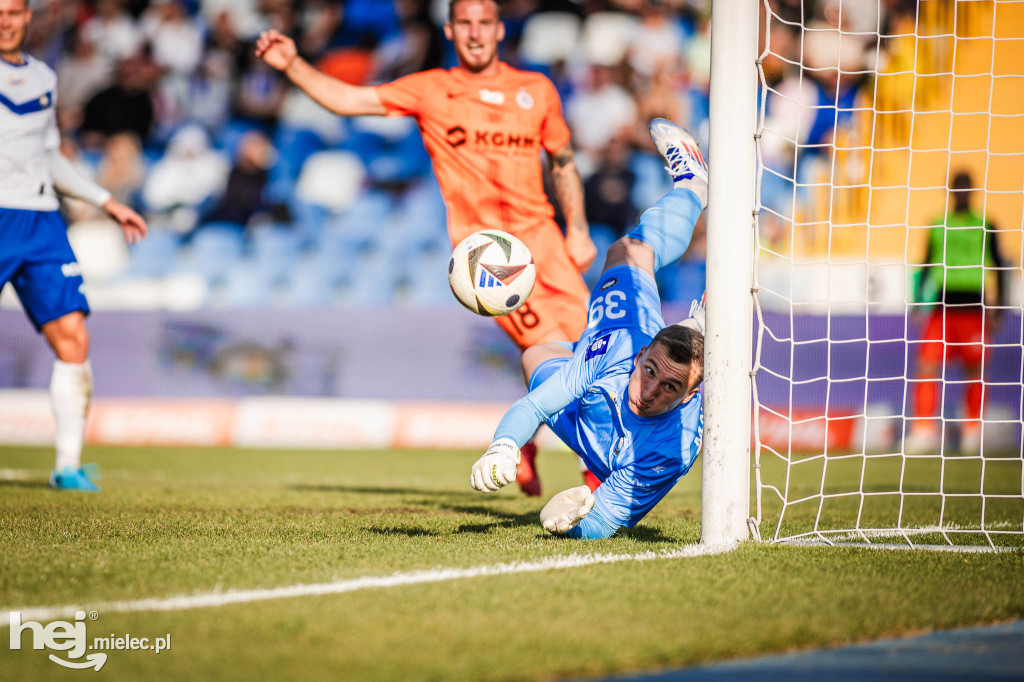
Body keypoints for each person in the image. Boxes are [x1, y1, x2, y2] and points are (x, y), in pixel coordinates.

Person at [256, 0, 598, 496]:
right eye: (466, 24)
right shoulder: (432, 89)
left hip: (545, 240)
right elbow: (350, 101)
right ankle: (594, 474)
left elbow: (562, 159)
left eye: (485, 23)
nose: (476, 33)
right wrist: (292, 63)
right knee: (554, 356)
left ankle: (526, 441)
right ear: (450, 30)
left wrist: (580, 229)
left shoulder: (535, 90)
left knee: (591, 349)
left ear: (500, 29)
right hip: (488, 259)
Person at [470, 118, 707, 540]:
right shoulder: (618, 348)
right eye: (650, 372)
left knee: (539, 355)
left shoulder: (674, 446)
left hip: (623, 452)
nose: (650, 391)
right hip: (613, 353)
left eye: (670, 388)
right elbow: (534, 406)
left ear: (690, 395)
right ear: (639, 357)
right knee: (627, 251)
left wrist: (567, 525)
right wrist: (503, 446)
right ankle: (693, 187)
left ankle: (596, 474)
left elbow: (606, 524)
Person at [0, 0, 147, 491]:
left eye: (15, 12)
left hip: (41, 220)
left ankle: (67, 466)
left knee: (73, 338)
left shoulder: (42, 77)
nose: (6, 20)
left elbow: (49, 158)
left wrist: (106, 200)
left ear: (28, 18)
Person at [906, 171, 1007, 455]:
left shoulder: (985, 225)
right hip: (942, 307)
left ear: (972, 191)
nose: (961, 193)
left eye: (966, 189)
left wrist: (1000, 307)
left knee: (975, 370)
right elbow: (925, 264)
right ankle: (924, 430)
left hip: (974, 307)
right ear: (951, 191)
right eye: (957, 189)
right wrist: (917, 303)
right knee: (926, 365)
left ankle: (972, 431)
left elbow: (1000, 267)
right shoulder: (938, 224)